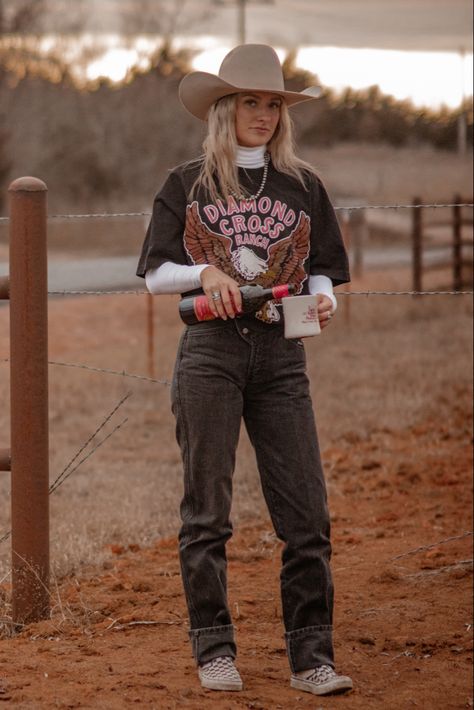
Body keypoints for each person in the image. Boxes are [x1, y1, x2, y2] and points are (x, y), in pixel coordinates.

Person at [137, 44, 353, 697]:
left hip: (282, 356)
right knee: (208, 510)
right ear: (224, 109)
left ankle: (310, 656)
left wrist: (324, 298)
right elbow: (153, 275)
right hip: (210, 351)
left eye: (273, 105)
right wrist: (204, 270)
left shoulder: (304, 185)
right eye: (250, 103)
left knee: (306, 514)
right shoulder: (188, 183)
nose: (263, 115)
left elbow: (324, 268)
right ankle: (215, 649)